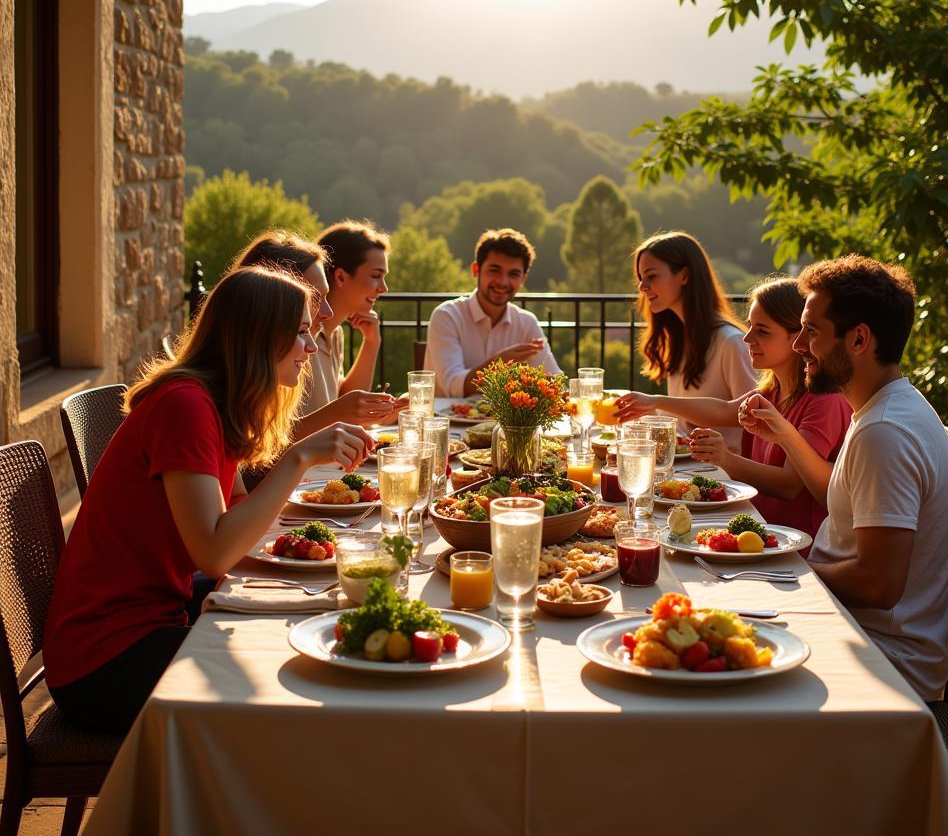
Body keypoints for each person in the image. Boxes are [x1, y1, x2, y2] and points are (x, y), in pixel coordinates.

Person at [43, 267, 374, 734]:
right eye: (301, 332)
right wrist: (297, 459)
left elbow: (233, 523)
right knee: (287, 688)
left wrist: (307, 560)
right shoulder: (186, 407)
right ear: (257, 336)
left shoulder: (219, 402)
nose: (312, 346)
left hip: (154, 616)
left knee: (314, 621)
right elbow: (215, 552)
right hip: (104, 658)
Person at [741, 254, 948, 702]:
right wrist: (785, 437)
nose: (800, 344)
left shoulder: (885, 432)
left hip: (884, 664)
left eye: (812, 332)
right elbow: (836, 498)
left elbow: (878, 584)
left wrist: (788, 572)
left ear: (859, 339)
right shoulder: (883, 409)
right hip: (852, 629)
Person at [616, 276, 850, 539]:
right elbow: (723, 410)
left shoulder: (824, 400)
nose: (747, 338)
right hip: (757, 527)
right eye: (750, 327)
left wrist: (726, 459)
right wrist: (654, 402)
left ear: (798, 338)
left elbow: (789, 485)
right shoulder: (772, 391)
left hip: (793, 543)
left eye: (762, 331)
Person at [234, 229, 397, 432]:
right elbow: (268, 442)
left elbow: (343, 404)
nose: (384, 288)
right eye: (375, 276)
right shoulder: (291, 346)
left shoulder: (332, 334)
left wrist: (372, 343)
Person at [621, 231, 758, 451]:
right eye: (640, 278)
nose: (642, 287)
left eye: (652, 276)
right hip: (688, 466)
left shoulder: (731, 343)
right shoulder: (677, 340)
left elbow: (753, 415)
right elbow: (682, 423)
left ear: (684, 275)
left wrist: (655, 402)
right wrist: (647, 413)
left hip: (725, 475)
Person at [424, 228, 560, 396]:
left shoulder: (527, 323)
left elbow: (554, 383)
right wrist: (498, 364)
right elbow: (454, 387)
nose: (503, 281)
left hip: (507, 423)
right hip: (447, 422)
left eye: (513, 274)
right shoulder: (446, 316)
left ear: (523, 279)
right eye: (494, 270)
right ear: (476, 270)